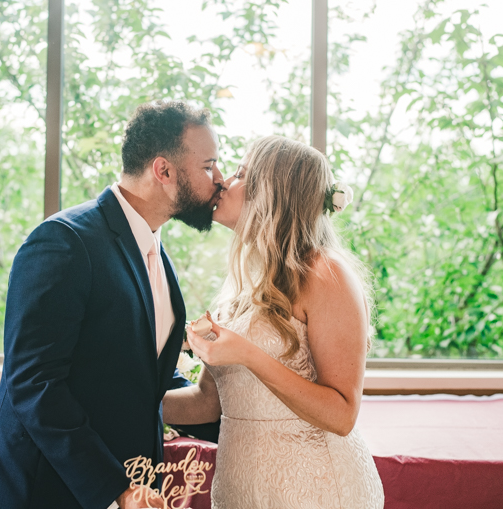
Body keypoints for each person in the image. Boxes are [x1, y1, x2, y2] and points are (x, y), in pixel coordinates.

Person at [0, 100, 225, 509]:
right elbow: (35, 384)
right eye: (209, 165)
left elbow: (137, 375)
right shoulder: (63, 242)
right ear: (164, 171)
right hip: (44, 491)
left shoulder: (155, 249)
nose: (219, 179)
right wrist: (114, 488)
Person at [163, 135, 385, 508]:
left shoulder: (326, 274)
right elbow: (207, 403)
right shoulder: (244, 280)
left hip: (314, 489)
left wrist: (248, 354)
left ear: (271, 192)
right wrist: (125, 403)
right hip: (241, 489)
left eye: (239, 174)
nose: (223, 182)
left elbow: (342, 413)